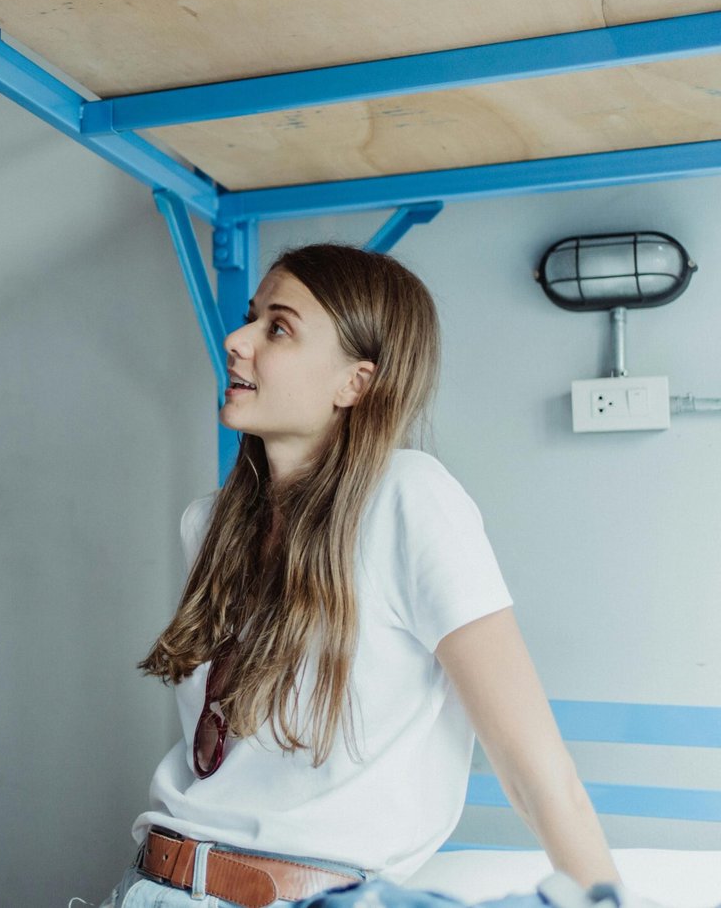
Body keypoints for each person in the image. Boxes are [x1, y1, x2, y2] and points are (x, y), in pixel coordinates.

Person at [102, 245, 618, 908]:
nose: (235, 341)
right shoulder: (210, 523)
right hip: (149, 885)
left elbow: (537, 771)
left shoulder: (410, 499)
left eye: (277, 327)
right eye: (250, 317)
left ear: (356, 382)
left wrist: (606, 894)